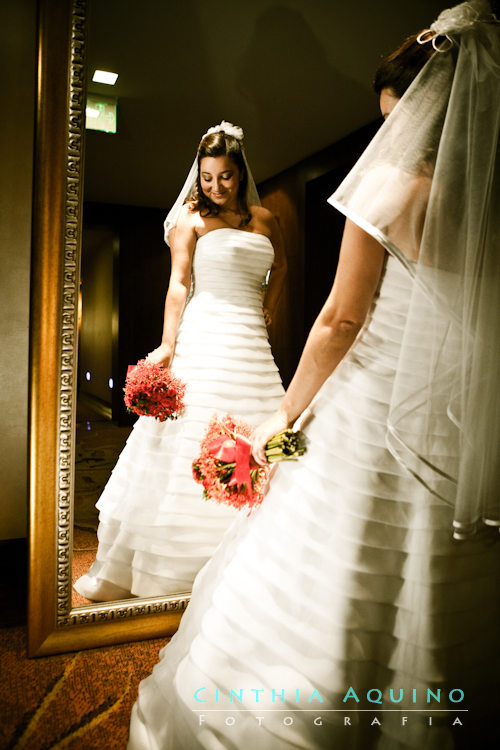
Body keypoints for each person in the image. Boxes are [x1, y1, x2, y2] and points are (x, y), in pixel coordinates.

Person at [128, 2, 500, 748]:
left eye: (398, 116)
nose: (395, 130)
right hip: (459, 413)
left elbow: (338, 319)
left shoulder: (392, 186)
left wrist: (283, 417)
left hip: (369, 407)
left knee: (323, 574)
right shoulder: (488, 196)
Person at [74, 122, 286, 601]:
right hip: (206, 329)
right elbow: (178, 284)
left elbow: (283, 266)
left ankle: (250, 554)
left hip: (251, 335)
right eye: (207, 177)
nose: (215, 187)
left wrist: (269, 300)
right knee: (193, 433)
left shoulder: (265, 219)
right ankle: (180, 563)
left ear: (240, 173)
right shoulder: (189, 221)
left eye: (225, 177)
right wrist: (168, 345)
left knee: (259, 429)